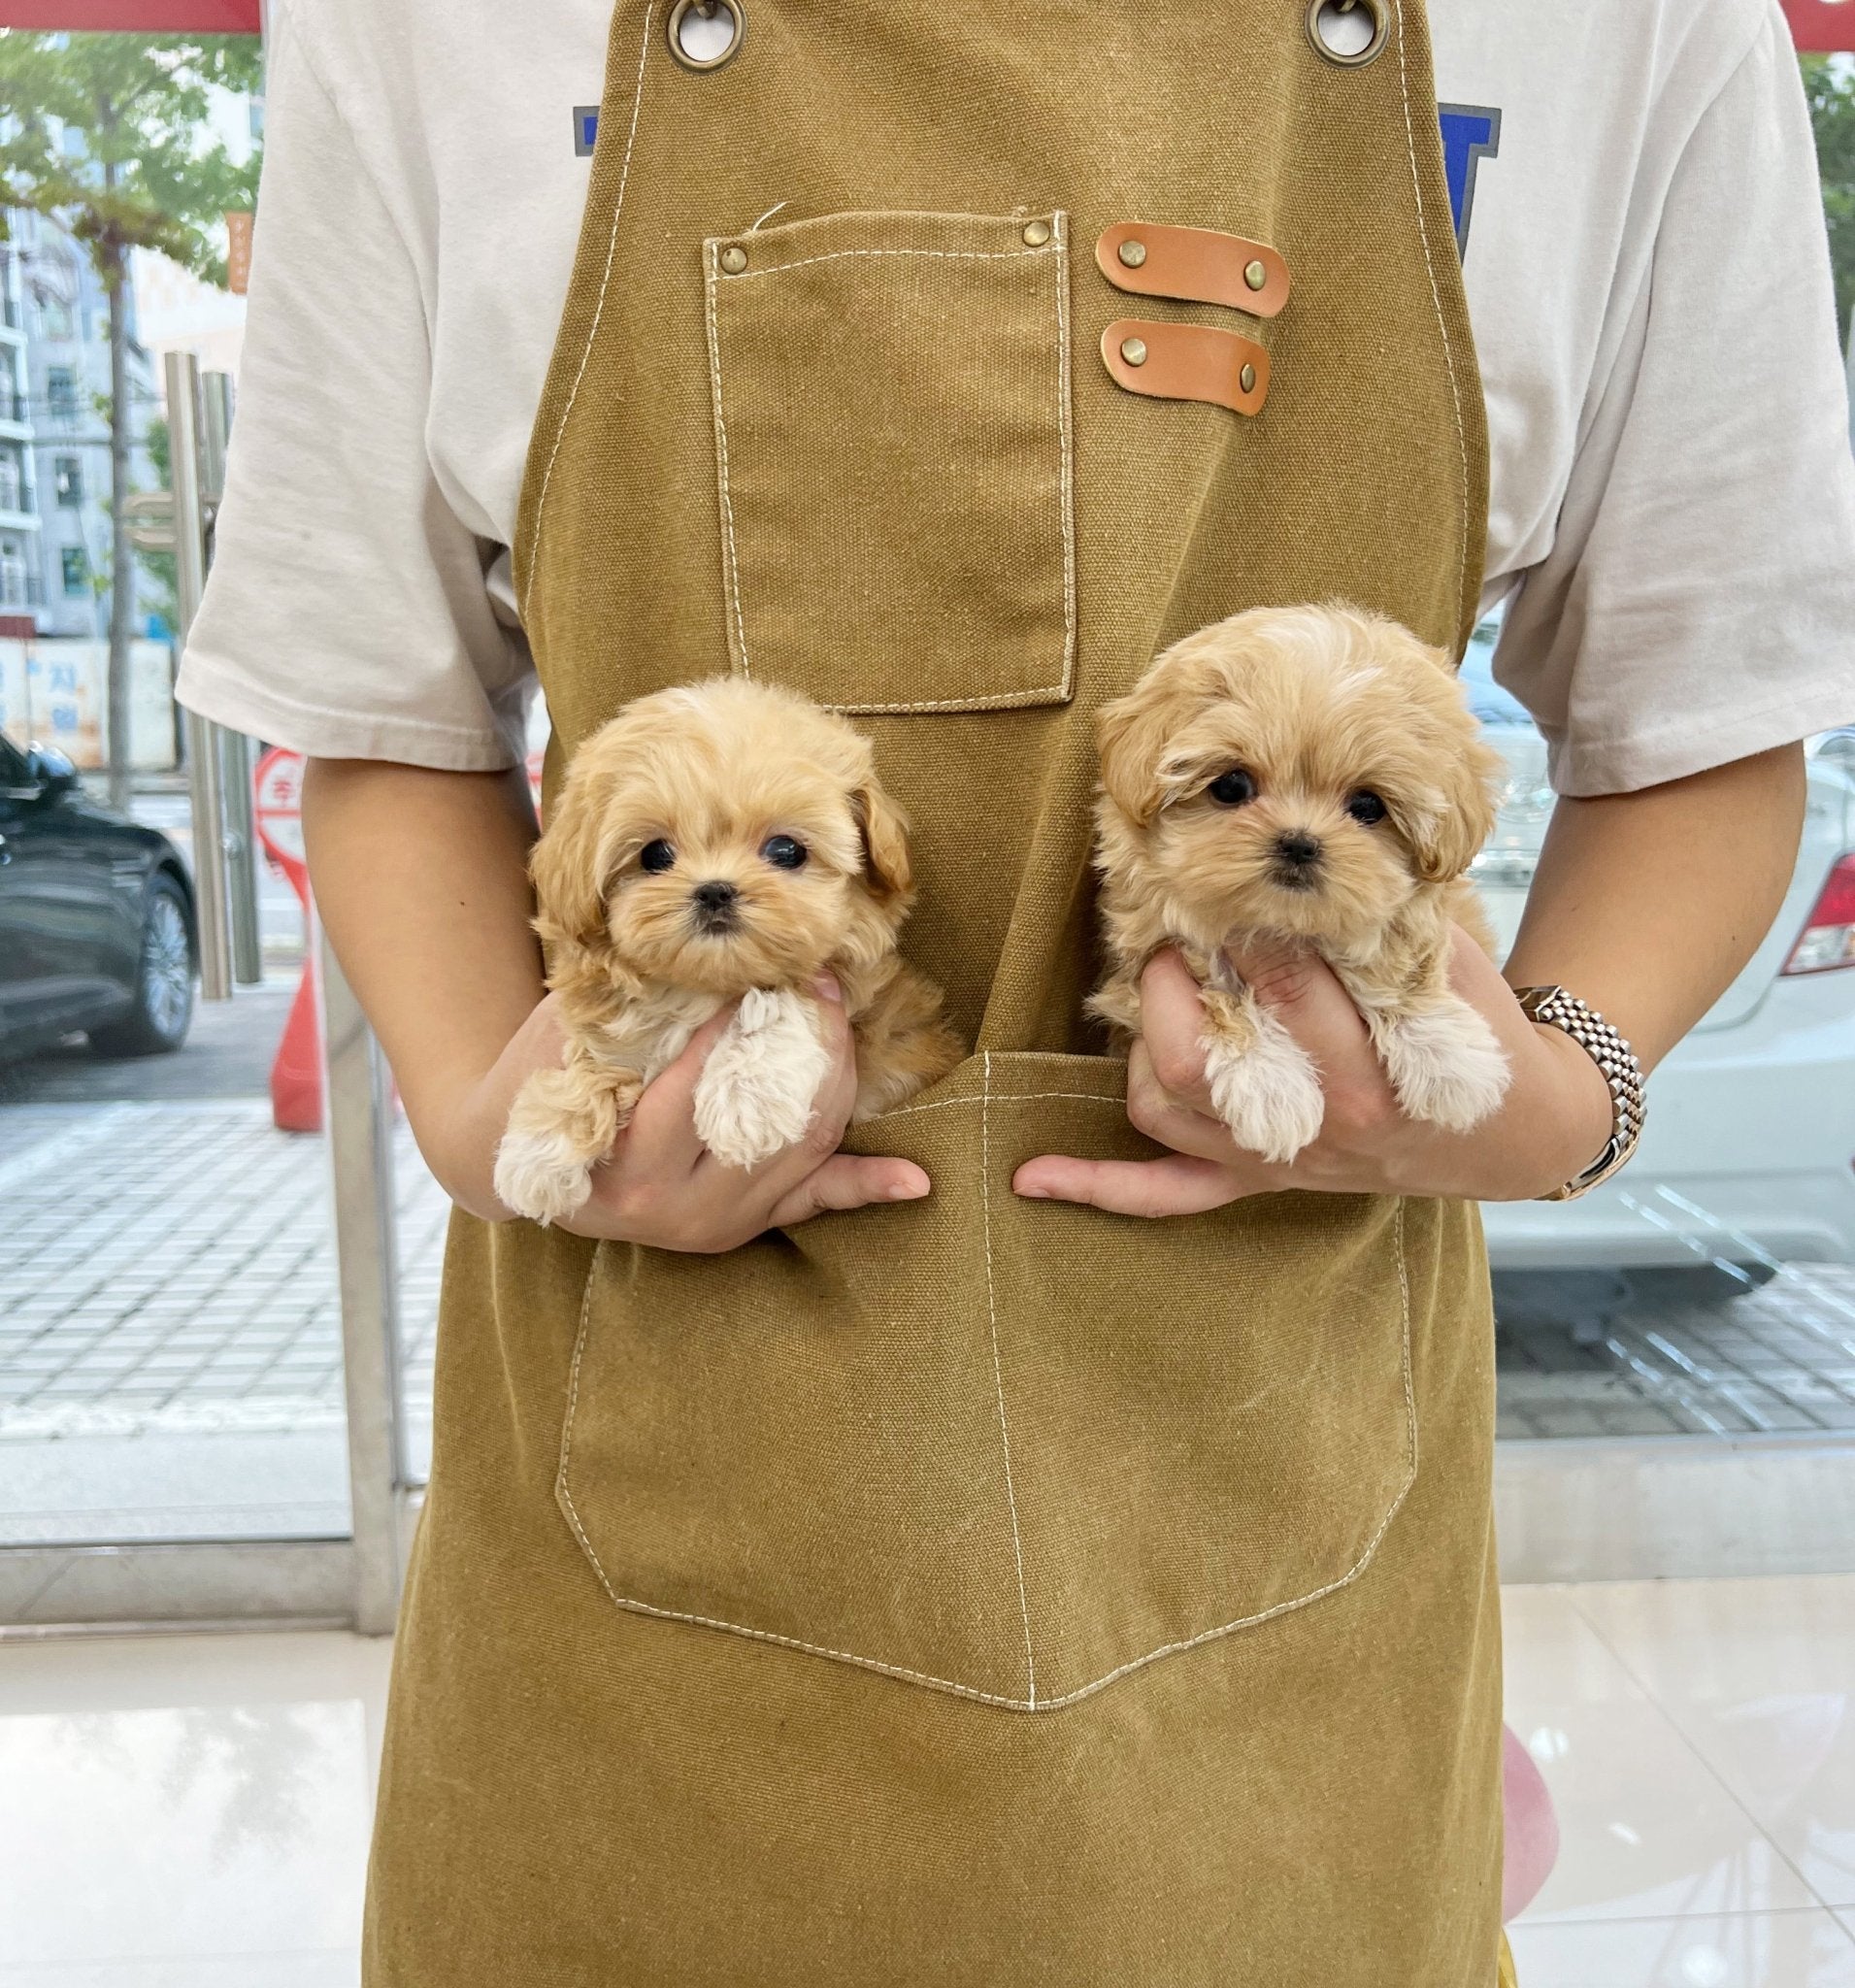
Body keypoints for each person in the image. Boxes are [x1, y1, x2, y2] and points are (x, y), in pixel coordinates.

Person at [178, 0, 1855, 1980]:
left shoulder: (1631, 26)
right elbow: (383, 708)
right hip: (650, 1464)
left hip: (1265, 1482)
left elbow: (1705, 718)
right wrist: (489, 1118)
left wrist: (1556, 1091)